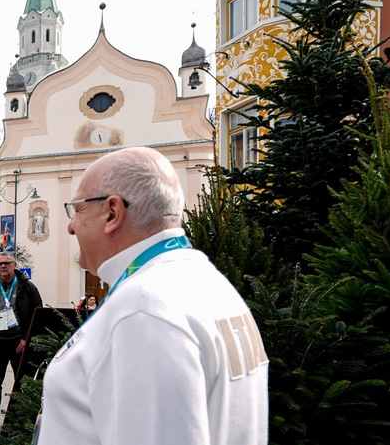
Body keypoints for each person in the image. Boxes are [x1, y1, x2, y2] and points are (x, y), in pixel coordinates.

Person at [33, 147, 269, 444]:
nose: (69, 226)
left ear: (112, 212)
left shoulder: (144, 309)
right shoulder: (206, 283)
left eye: (77, 210)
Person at [0, 252, 42, 435]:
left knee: (22, 383)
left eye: (7, 263)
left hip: (18, 342)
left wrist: (26, 338)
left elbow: (38, 314)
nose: (3, 267)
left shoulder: (27, 287)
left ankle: (17, 423)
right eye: (0, 264)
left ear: (15, 264)